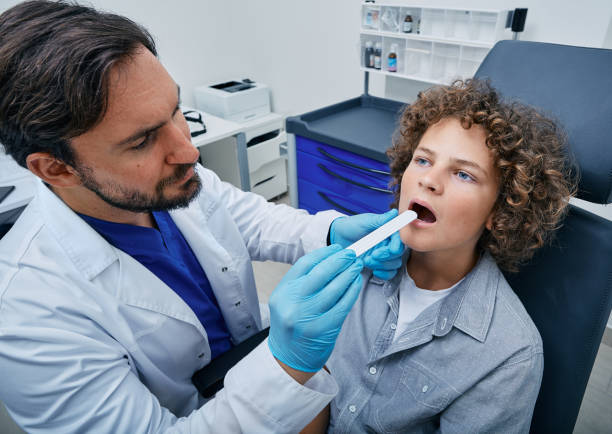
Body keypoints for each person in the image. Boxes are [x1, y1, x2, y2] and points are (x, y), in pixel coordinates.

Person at [0, 1, 405, 433]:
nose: (189, 151)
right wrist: (287, 367)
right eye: (141, 141)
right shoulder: (26, 315)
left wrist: (328, 229)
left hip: (249, 359)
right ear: (56, 168)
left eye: (175, 109)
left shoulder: (169, 178)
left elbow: (248, 219)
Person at [325, 79, 577, 433]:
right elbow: (317, 380)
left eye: (463, 174)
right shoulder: (360, 264)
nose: (428, 180)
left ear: (500, 210)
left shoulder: (508, 356)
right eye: (423, 159)